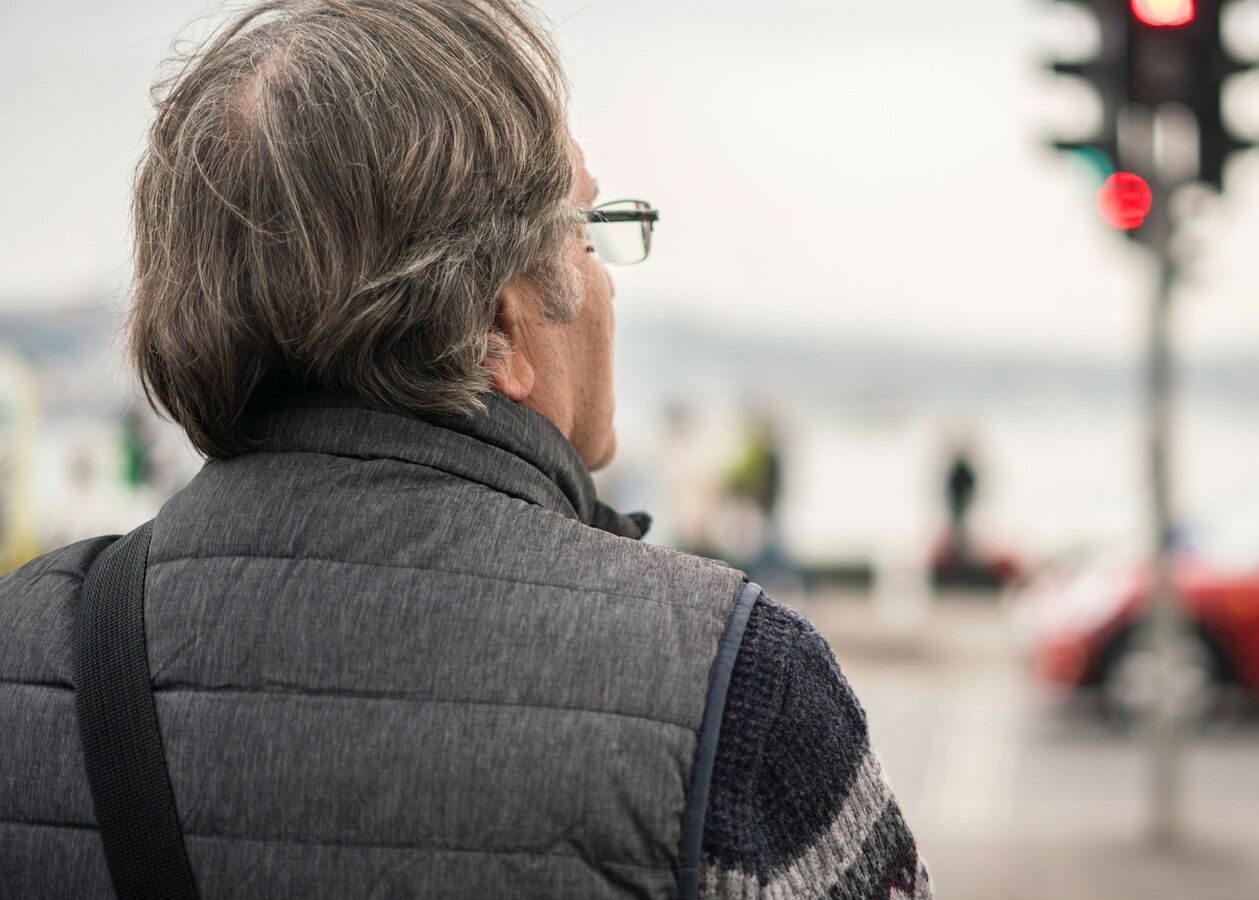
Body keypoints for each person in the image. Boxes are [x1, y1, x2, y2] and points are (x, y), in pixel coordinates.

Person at [0, 2, 930, 897]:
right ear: (497, 325)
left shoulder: (28, 644)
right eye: (588, 232)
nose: (610, 285)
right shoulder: (731, 680)